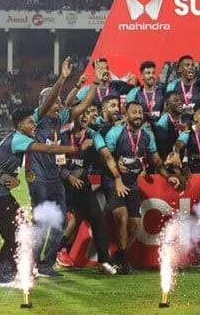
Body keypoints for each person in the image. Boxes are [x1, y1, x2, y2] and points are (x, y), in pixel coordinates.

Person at [0, 108, 93, 284]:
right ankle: (3, 274)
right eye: (30, 122)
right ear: (20, 125)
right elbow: (48, 149)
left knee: (19, 231)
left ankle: (8, 271)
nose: (33, 125)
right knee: (17, 234)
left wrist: (13, 179)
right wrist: (76, 148)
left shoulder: (15, 138)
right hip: (0, 196)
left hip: (3, 193)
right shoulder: (19, 139)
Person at [27, 57, 102, 278]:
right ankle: (30, 262)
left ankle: (46, 264)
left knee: (61, 221)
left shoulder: (59, 119)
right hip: (38, 179)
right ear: (44, 103)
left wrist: (95, 84)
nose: (59, 103)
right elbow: (49, 99)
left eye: (60, 101)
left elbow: (83, 107)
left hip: (55, 179)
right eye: (55, 100)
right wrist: (63, 78)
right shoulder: (37, 119)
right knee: (41, 222)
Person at [100, 101, 182, 274]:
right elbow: (104, 158)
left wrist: (168, 177)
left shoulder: (147, 136)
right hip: (113, 182)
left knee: (135, 226)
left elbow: (157, 161)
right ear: (126, 115)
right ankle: (123, 262)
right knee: (121, 217)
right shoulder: (115, 133)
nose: (138, 115)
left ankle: (117, 259)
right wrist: (116, 165)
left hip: (132, 184)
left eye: (140, 112)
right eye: (134, 112)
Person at [58, 108, 118, 275]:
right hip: (63, 184)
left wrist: (117, 177)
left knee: (98, 220)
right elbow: (56, 160)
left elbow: (106, 156)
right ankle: (54, 254)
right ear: (74, 115)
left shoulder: (94, 135)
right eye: (82, 114)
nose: (85, 117)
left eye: (88, 114)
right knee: (69, 221)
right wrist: (68, 176)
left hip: (83, 185)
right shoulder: (63, 134)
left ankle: (104, 261)